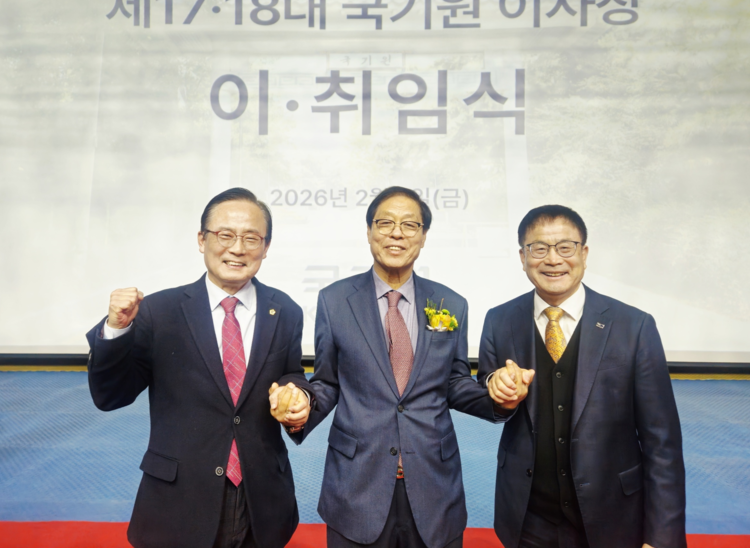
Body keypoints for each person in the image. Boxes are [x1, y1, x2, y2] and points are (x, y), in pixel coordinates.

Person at [87, 188, 312, 548]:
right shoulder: (159, 312)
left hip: (262, 498)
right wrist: (116, 330)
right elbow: (111, 395)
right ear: (202, 240)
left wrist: (298, 395)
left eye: (251, 238)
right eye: (225, 235)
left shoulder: (285, 310)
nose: (237, 248)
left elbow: (290, 374)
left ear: (266, 247)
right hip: (180, 499)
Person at [300, 186, 511, 548]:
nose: (397, 233)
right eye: (385, 223)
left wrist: (499, 398)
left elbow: (455, 382)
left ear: (423, 236)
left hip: (434, 485)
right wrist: (301, 407)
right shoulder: (334, 301)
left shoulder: (451, 303)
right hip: (356, 485)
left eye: (410, 225)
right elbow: (328, 382)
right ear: (370, 231)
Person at [478, 205, 686, 548]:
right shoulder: (500, 320)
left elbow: (661, 443)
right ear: (523, 257)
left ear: (584, 254)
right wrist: (495, 389)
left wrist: (662, 538)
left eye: (565, 247)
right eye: (539, 248)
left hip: (613, 515)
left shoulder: (634, 326)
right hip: (529, 517)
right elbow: (490, 400)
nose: (553, 259)